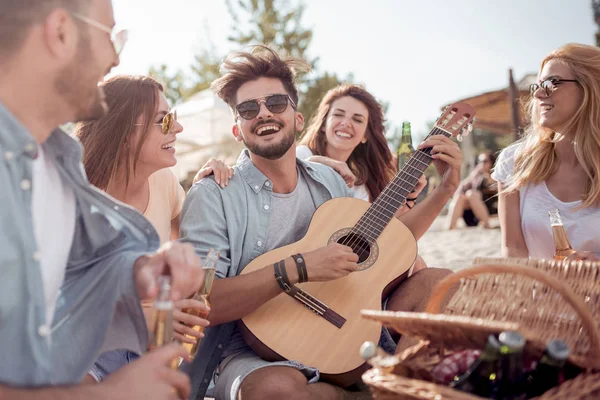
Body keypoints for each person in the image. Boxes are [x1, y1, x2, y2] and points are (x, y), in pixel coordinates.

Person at [180, 45, 463, 400]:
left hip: (345, 328)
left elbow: (387, 244)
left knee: (442, 283)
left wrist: (446, 189)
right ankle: (366, 392)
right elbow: (200, 304)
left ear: (298, 119)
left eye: (276, 103)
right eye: (248, 109)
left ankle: (392, 380)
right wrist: (297, 267)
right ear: (238, 130)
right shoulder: (214, 194)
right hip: (253, 350)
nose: (263, 113)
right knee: (275, 392)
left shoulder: (328, 181)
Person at [0, 1, 203, 398]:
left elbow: (83, 264)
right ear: (61, 32)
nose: (114, 57)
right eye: (111, 35)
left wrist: (141, 271)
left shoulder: (58, 167)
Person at [76, 75, 232, 381]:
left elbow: (194, 247)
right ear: (122, 131)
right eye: (164, 120)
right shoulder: (75, 199)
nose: (178, 128)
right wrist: (151, 316)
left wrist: (205, 192)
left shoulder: (165, 183)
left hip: (152, 351)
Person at [297, 84, 430, 273]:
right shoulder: (302, 154)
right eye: (338, 115)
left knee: (416, 263)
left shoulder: (359, 184)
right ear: (324, 123)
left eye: (357, 119)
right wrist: (321, 162)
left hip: (336, 264)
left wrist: (406, 202)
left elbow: (363, 235)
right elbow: (282, 168)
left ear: (366, 135)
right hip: (299, 260)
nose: (346, 123)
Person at [492, 43, 600, 261]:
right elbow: (513, 248)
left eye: (553, 83)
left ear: (591, 88)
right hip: (539, 293)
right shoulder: (515, 162)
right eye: (538, 85)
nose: (539, 93)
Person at [446, 152, 498, 229]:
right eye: (479, 162)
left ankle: (487, 224)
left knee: (471, 194)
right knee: (460, 196)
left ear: (491, 162)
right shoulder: (476, 176)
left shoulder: (495, 176)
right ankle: (451, 226)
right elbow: (460, 188)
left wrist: (487, 177)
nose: (481, 164)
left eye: (484, 161)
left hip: (488, 209)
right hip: (471, 215)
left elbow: (496, 189)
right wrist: (473, 176)